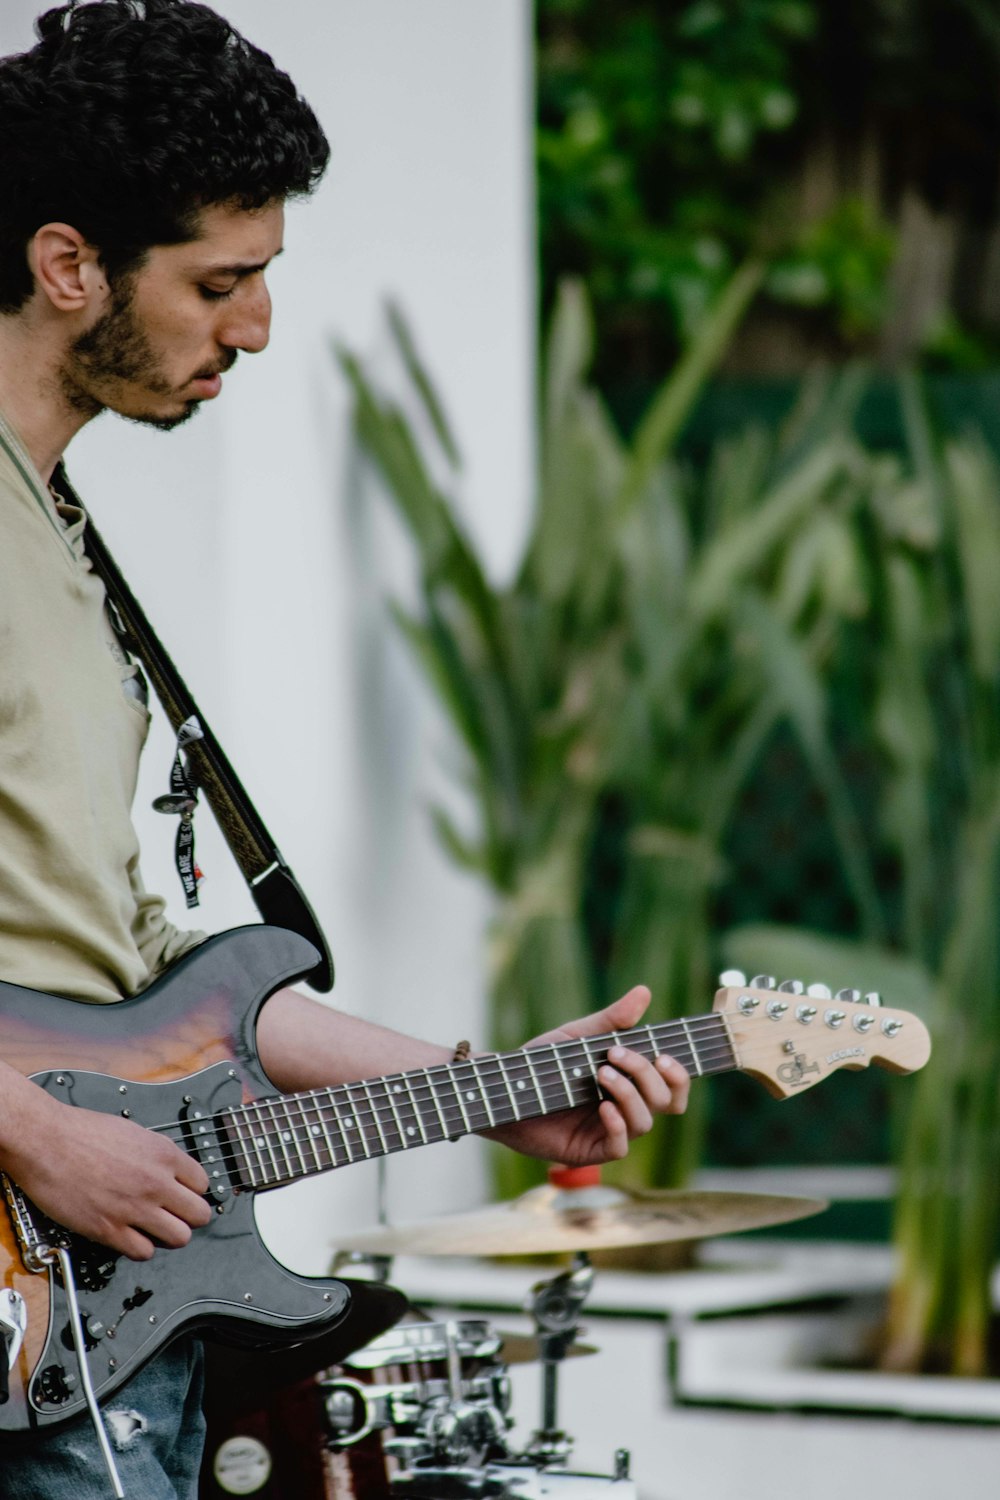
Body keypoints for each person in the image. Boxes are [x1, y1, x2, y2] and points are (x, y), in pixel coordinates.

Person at [0, 2, 690, 1495]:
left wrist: (486, 1083)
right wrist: (29, 1137)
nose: (254, 327)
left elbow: (146, 973)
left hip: (111, 1316)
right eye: (222, 282)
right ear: (69, 268)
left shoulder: (53, 532)